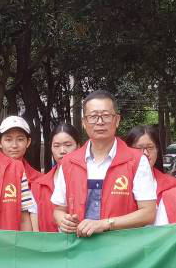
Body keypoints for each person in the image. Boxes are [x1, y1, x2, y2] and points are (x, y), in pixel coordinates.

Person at [51, 91, 157, 235]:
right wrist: (63, 220)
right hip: (80, 245)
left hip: (123, 246)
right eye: (93, 116)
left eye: (106, 115)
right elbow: (58, 209)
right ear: (84, 122)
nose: (100, 122)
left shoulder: (137, 160)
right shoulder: (69, 162)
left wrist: (106, 224)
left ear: (117, 120)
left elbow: (148, 213)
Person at [29, 122, 80, 232]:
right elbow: (35, 230)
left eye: (68, 145)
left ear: (78, 147)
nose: (62, 151)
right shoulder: (38, 185)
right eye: (56, 146)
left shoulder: (88, 180)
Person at [126, 124, 176, 197]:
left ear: (157, 149)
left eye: (150, 147)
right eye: (139, 148)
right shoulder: (118, 185)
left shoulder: (172, 185)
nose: (145, 153)